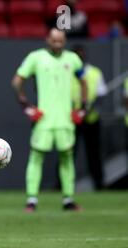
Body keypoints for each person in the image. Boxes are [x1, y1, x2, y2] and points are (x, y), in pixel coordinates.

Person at [11, 28, 88, 212]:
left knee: (67, 158)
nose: (57, 44)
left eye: (60, 41)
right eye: (54, 40)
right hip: (43, 120)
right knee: (36, 157)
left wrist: (82, 109)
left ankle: (68, 199)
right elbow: (17, 81)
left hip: (65, 119)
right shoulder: (36, 57)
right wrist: (27, 107)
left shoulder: (72, 59)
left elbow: (83, 82)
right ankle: (31, 200)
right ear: (47, 40)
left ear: (65, 41)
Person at [71, 45, 108, 190]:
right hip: (72, 119)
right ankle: (61, 185)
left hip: (91, 119)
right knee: (67, 153)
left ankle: (99, 184)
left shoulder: (95, 72)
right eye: (76, 54)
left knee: (94, 153)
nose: (79, 57)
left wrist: (86, 111)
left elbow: (100, 95)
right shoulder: (67, 72)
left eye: (81, 54)